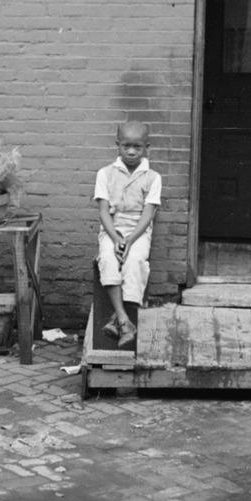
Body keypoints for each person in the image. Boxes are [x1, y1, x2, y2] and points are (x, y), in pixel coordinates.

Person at [94, 121, 161, 348]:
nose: (131, 152)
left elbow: (148, 214)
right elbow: (104, 212)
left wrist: (130, 241)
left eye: (137, 147)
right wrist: (115, 240)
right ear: (117, 146)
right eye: (126, 146)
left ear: (146, 147)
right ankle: (125, 320)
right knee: (108, 260)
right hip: (112, 230)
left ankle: (117, 319)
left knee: (135, 262)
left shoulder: (153, 177)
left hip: (138, 232)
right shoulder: (105, 174)